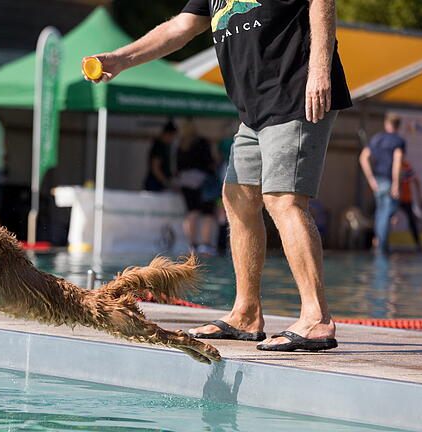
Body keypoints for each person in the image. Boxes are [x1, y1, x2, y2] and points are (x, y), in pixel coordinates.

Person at [85, 0, 352, 350]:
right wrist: (121, 59)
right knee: (237, 197)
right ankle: (246, 313)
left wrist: (320, 68)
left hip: (296, 93)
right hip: (255, 111)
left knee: (283, 200)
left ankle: (316, 318)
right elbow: (179, 28)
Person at [359, 113, 405, 253]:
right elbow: (397, 161)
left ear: (386, 124)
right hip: (388, 180)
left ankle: (377, 242)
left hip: (378, 180)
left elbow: (363, 157)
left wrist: (371, 179)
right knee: (387, 214)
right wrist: (396, 183)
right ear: (398, 126)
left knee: (380, 212)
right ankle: (382, 247)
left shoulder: (377, 139)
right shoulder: (398, 141)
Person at [175, 120, 217, 255]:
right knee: (207, 213)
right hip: (201, 180)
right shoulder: (202, 142)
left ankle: (192, 245)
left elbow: (177, 165)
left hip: (185, 180)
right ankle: (205, 244)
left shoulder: (181, 144)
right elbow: (209, 162)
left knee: (191, 212)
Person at [143, 120, 177, 192]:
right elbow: (155, 168)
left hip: (160, 184)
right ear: (167, 134)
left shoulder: (166, 147)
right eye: (173, 136)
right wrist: (166, 182)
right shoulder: (158, 147)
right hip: (155, 185)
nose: (173, 139)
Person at [399, 160, 422, 251]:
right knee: (385, 218)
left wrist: (419, 195)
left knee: (412, 220)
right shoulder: (389, 162)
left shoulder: (406, 166)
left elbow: (416, 180)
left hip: (406, 198)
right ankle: (378, 241)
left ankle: (418, 243)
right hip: (393, 198)